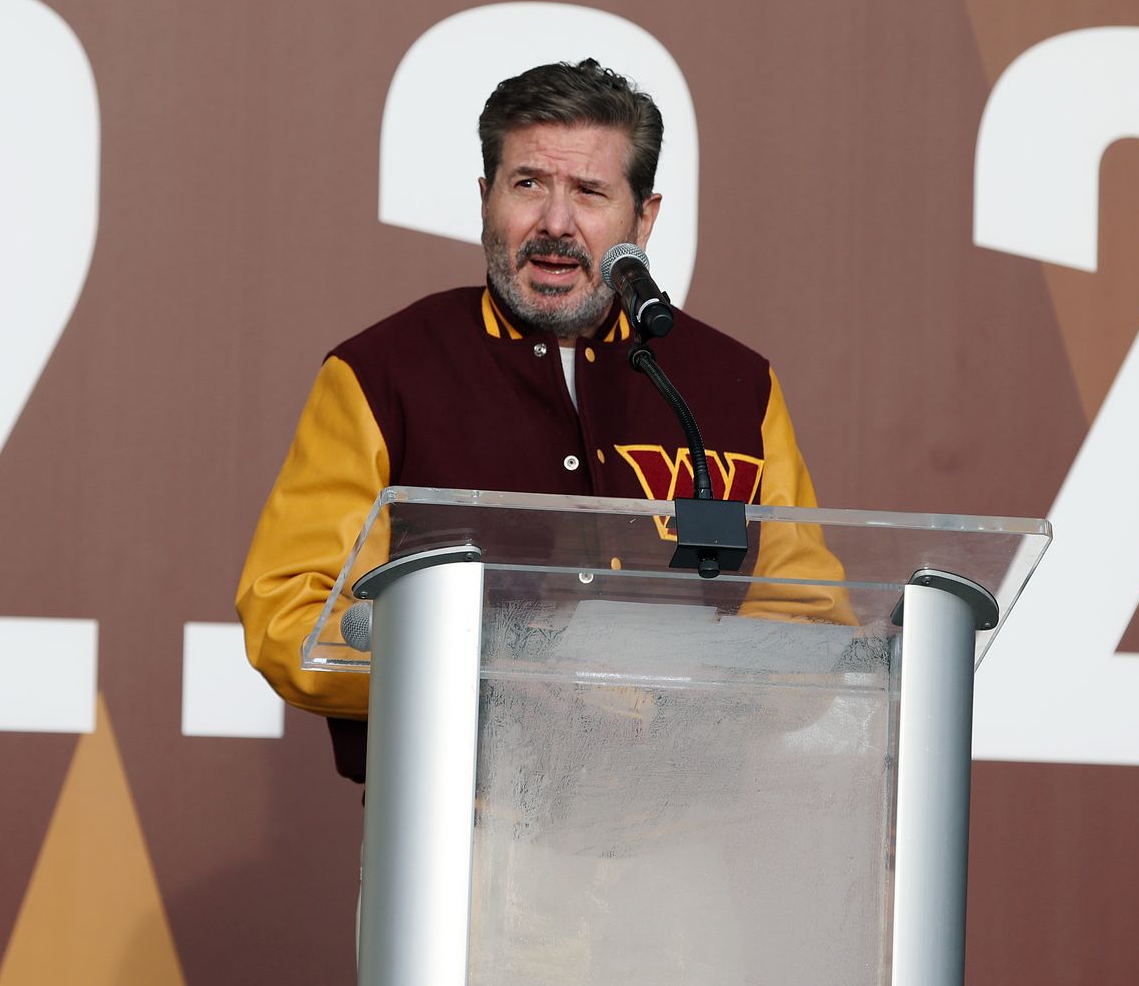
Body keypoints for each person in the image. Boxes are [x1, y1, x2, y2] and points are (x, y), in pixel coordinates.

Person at [235, 59, 838, 781]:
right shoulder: (383, 373)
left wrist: (675, 700)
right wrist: (488, 674)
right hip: (458, 838)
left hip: (691, 840)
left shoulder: (733, 386)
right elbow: (289, 615)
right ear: (487, 199)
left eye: (589, 192)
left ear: (642, 218)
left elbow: (810, 619)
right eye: (528, 185)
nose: (556, 224)